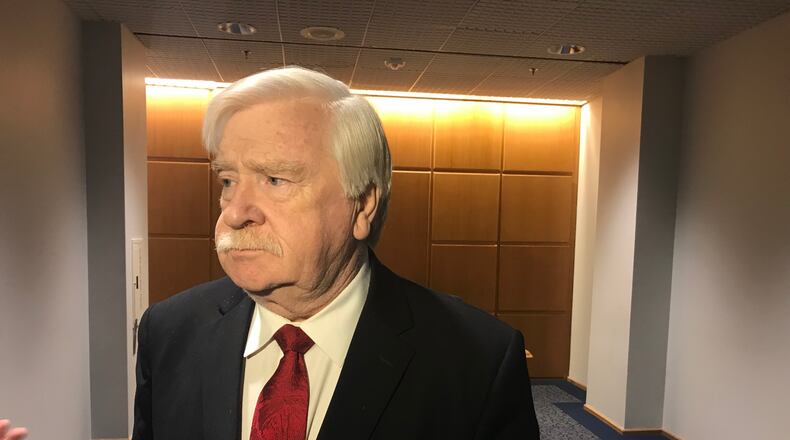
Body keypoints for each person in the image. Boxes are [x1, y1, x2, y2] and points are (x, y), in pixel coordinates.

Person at [133, 66, 540, 440]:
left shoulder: (477, 362)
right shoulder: (168, 332)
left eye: (275, 180)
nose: (235, 213)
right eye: (227, 180)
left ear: (362, 206)